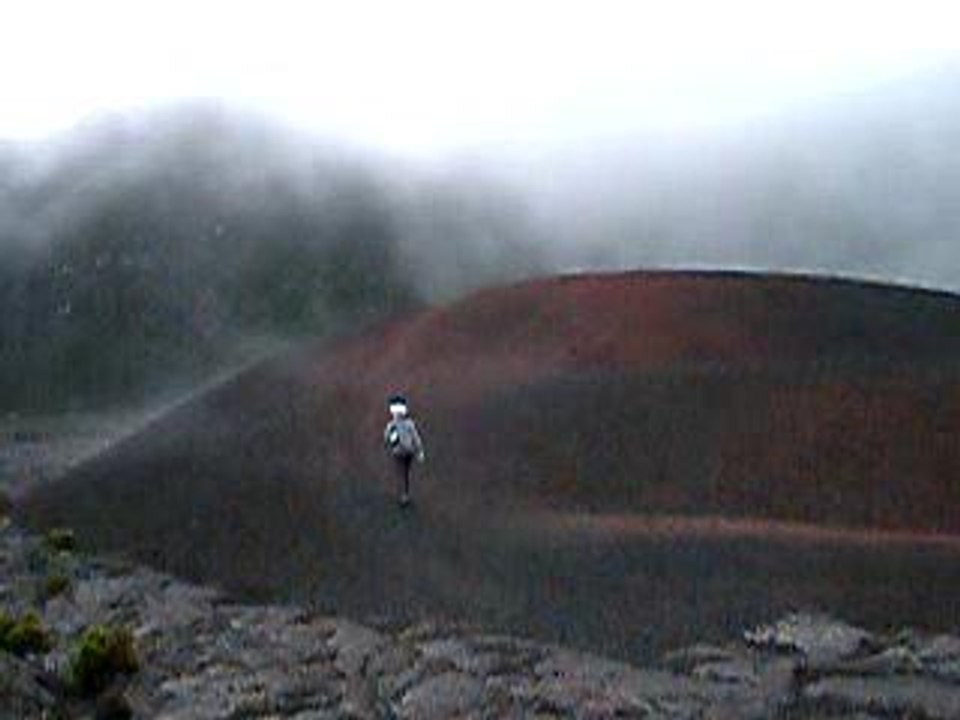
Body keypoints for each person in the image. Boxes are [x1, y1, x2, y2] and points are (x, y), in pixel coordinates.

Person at [383, 394, 425, 507]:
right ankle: (405, 494)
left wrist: (391, 439)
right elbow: (416, 438)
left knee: (402, 472)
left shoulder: (392, 425)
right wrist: (420, 451)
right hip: (406, 452)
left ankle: (404, 494)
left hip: (401, 452)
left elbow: (386, 438)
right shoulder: (408, 424)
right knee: (404, 472)